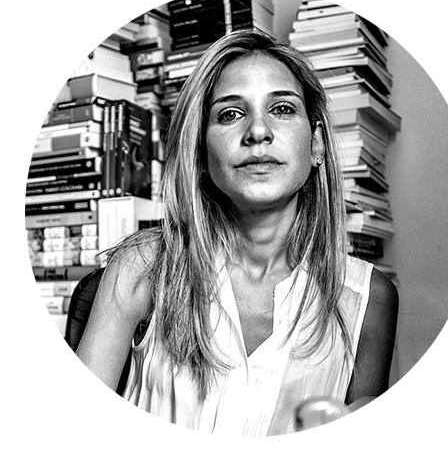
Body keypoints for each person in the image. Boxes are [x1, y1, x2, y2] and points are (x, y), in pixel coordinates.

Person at [75, 28, 399, 437]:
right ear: (201, 152)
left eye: (282, 108)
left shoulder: (369, 299)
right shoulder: (143, 266)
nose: (258, 131)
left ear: (316, 144)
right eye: (230, 114)